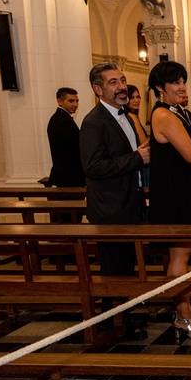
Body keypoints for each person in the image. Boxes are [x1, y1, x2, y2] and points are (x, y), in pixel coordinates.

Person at [148, 60, 191, 339]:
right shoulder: (164, 116)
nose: (182, 86)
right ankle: (183, 314)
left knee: (182, 254)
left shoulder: (178, 113)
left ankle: (183, 310)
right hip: (174, 196)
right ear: (159, 89)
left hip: (181, 191)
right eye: (175, 82)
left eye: (183, 81)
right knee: (179, 255)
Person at [81, 62, 149, 277]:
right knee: (114, 268)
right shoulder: (93, 122)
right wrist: (137, 157)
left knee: (128, 264)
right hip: (111, 208)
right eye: (113, 82)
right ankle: (112, 309)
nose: (122, 87)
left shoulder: (125, 116)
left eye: (123, 81)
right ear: (98, 90)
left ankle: (126, 305)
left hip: (129, 202)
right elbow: (93, 166)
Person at [47, 87, 85, 188]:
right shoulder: (62, 120)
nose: (75, 104)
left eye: (77, 101)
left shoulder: (61, 118)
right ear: (60, 101)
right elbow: (76, 148)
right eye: (71, 101)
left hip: (67, 176)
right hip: (69, 178)